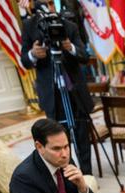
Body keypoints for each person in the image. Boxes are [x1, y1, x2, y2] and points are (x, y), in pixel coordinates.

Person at [21, 0, 94, 174]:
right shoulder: (30, 26)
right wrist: (33, 54)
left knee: (82, 135)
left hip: (74, 90)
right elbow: (25, 60)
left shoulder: (69, 25)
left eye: (51, 3)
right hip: (51, 93)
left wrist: (71, 47)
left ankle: (87, 175)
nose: (49, 7)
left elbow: (84, 55)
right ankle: (69, 173)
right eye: (45, 3)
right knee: (59, 139)